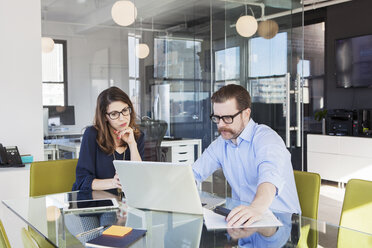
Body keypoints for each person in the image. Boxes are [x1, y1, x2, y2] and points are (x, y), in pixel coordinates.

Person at [192, 84, 301, 227]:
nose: (220, 125)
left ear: (246, 114)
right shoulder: (221, 143)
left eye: (227, 118)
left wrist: (255, 208)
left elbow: (269, 179)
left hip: (282, 225)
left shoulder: (267, 139)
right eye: (217, 118)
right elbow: (193, 174)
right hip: (244, 224)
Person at [72, 86, 144, 194]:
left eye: (125, 110)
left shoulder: (137, 136)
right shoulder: (92, 135)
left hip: (126, 203)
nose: (122, 118)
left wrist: (132, 144)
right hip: (95, 203)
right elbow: (82, 181)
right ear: (105, 117)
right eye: (114, 114)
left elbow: (139, 179)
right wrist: (113, 183)